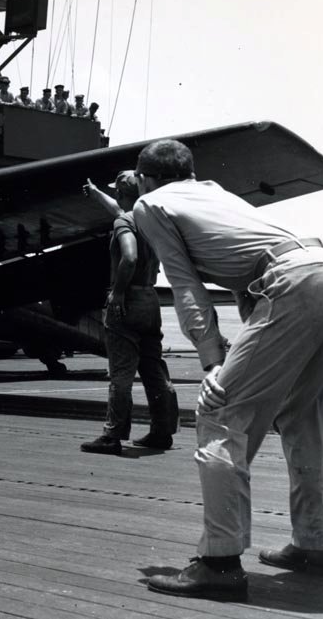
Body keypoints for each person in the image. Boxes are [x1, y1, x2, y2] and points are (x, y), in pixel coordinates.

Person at [132, 139, 323, 601]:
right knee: (303, 417)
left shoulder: (150, 204)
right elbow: (250, 280)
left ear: (144, 178)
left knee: (219, 414)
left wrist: (212, 362)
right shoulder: (215, 193)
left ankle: (219, 564)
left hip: (296, 282)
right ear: (189, 172)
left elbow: (185, 285)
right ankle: (314, 545)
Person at [80, 172, 178, 456]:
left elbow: (130, 256)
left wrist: (118, 292)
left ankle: (112, 436)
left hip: (128, 299)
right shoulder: (151, 220)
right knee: (154, 369)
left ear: (122, 194)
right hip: (150, 299)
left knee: (121, 373)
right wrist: (96, 193)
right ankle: (162, 432)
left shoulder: (124, 222)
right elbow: (120, 211)